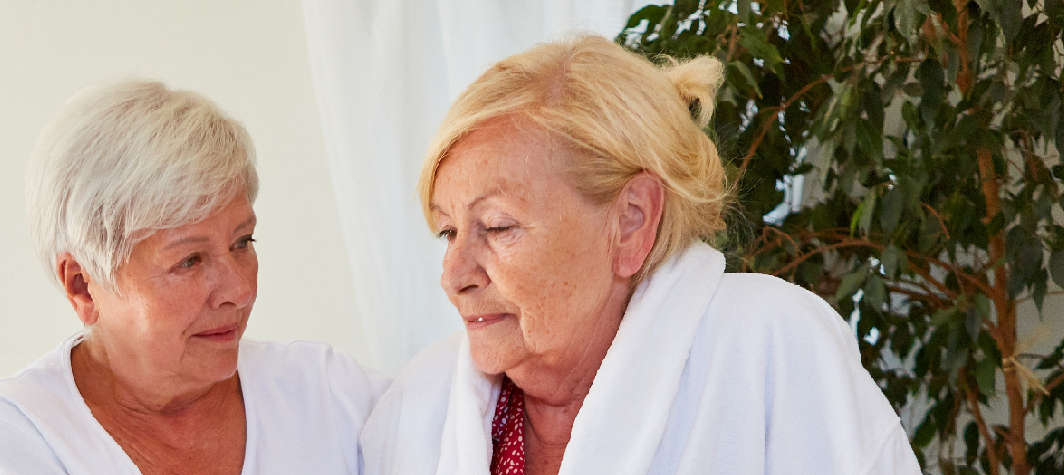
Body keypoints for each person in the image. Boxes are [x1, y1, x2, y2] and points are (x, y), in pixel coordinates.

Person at [359, 35, 920, 474]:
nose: (454, 275)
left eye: (498, 226)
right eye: (447, 232)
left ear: (631, 221)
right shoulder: (417, 407)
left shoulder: (770, 346)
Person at [0, 80, 385, 474]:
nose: (241, 290)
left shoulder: (329, 393)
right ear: (82, 285)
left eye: (243, 242)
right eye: (190, 261)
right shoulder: (15, 437)